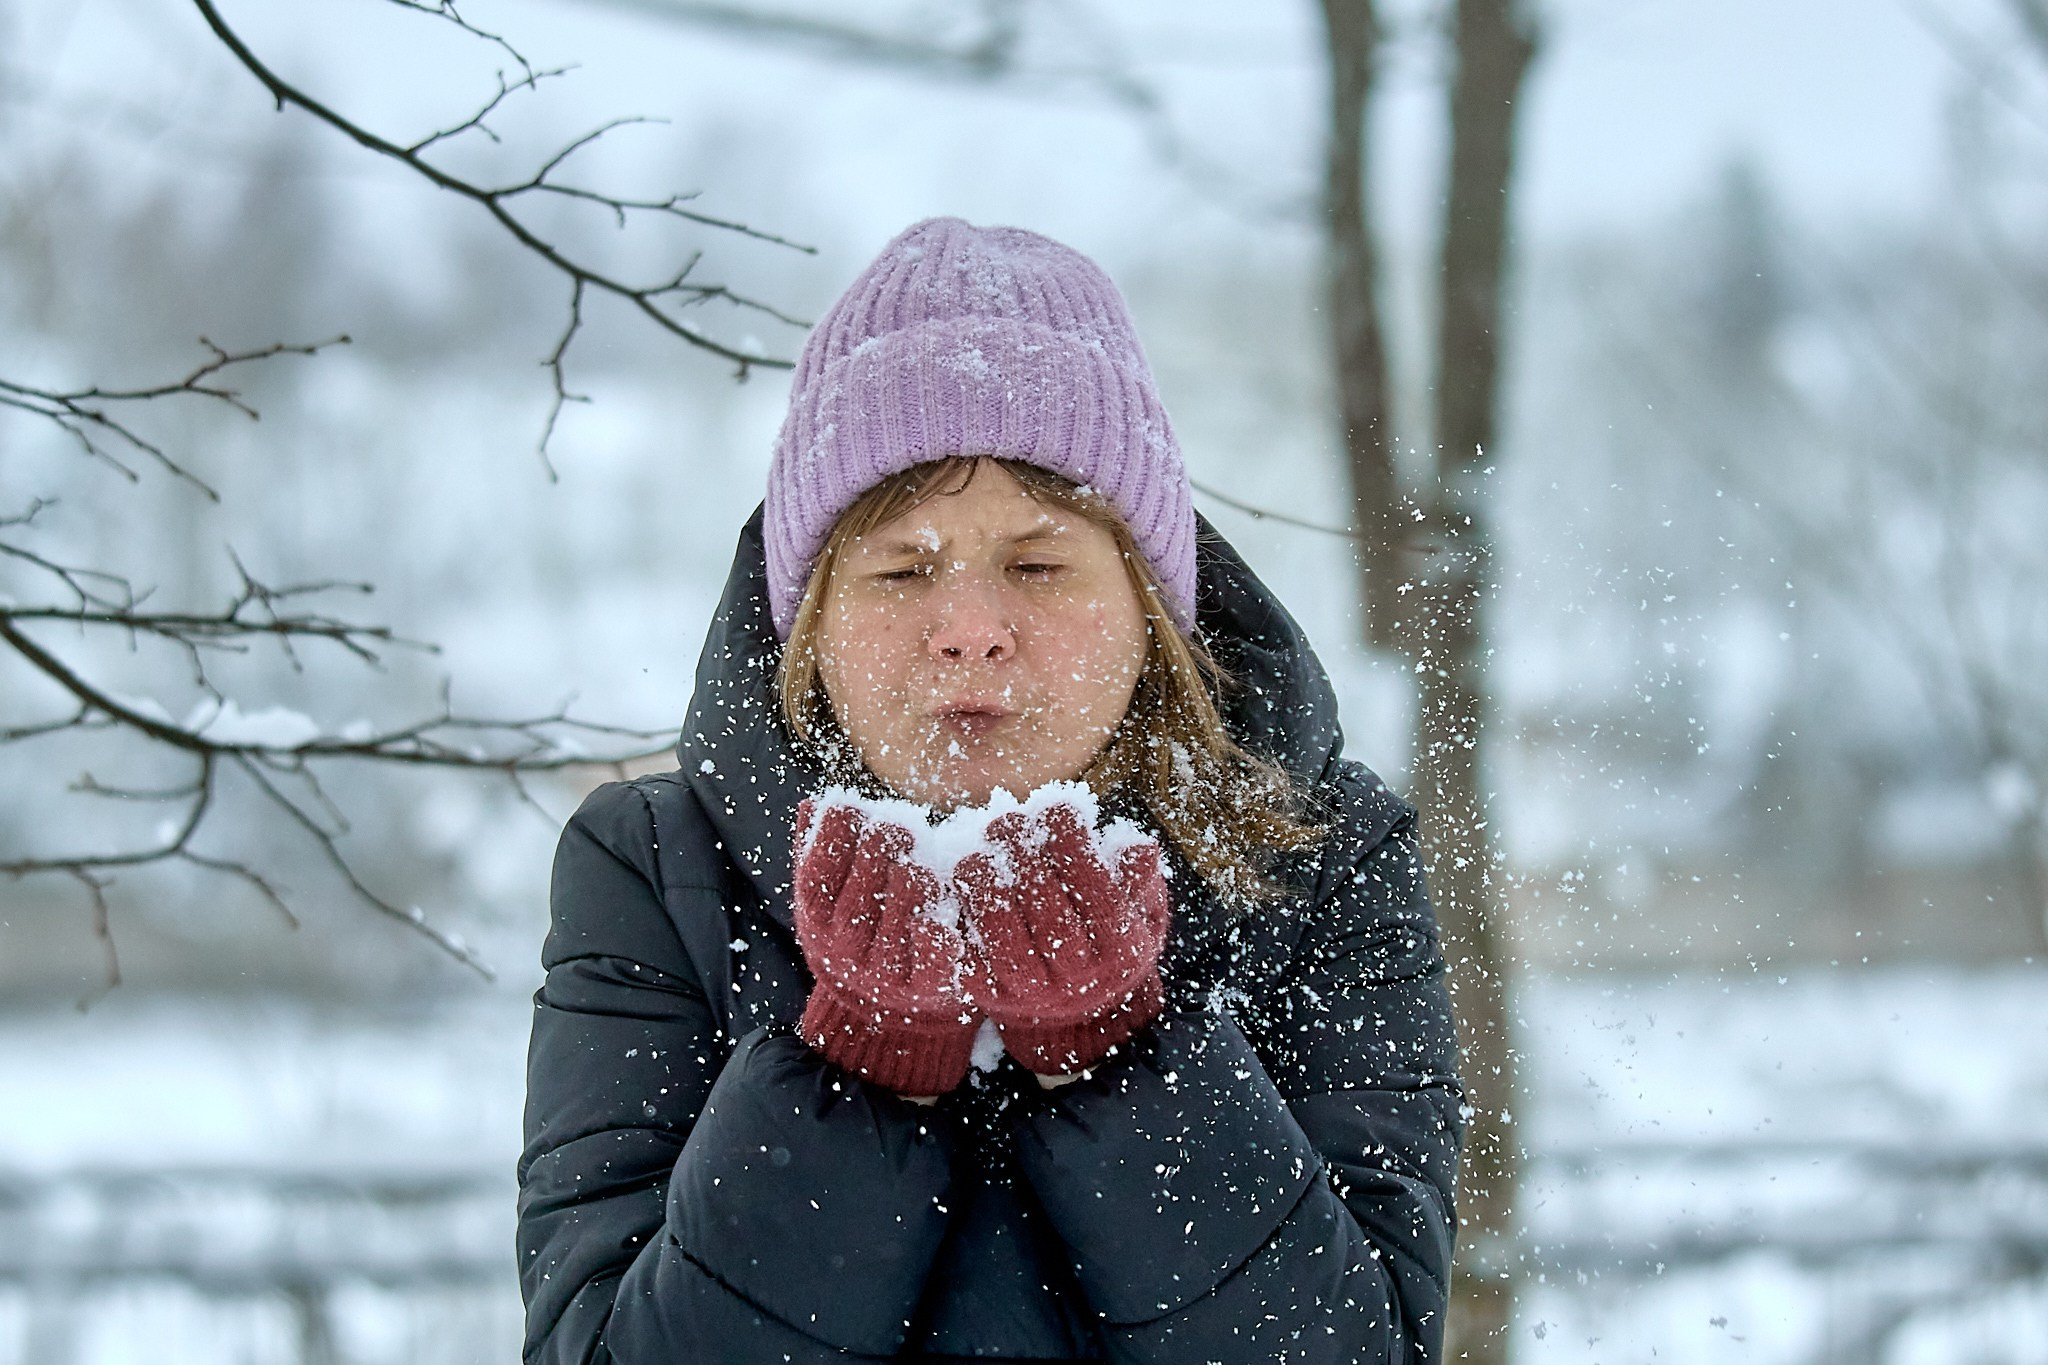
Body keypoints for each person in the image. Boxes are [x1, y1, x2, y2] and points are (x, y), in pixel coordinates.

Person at [517, 217, 1464, 1364]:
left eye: (1038, 564)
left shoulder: (1321, 859)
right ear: (807, 621)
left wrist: (1123, 1060)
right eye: (900, 568)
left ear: (1148, 608)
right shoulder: (655, 874)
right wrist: (851, 1078)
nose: (969, 633)